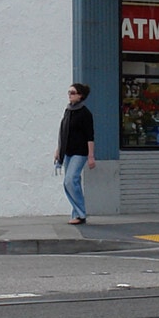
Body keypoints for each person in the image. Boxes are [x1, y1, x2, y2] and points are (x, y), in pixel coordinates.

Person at [55, 82, 96, 225]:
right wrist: (58, 151)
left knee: (70, 180)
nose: (69, 95)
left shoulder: (85, 113)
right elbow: (63, 132)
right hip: (67, 152)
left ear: (80, 96)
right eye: (69, 92)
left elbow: (90, 136)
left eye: (72, 93)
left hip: (80, 152)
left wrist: (91, 156)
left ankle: (80, 214)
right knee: (70, 183)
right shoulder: (68, 110)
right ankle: (77, 213)